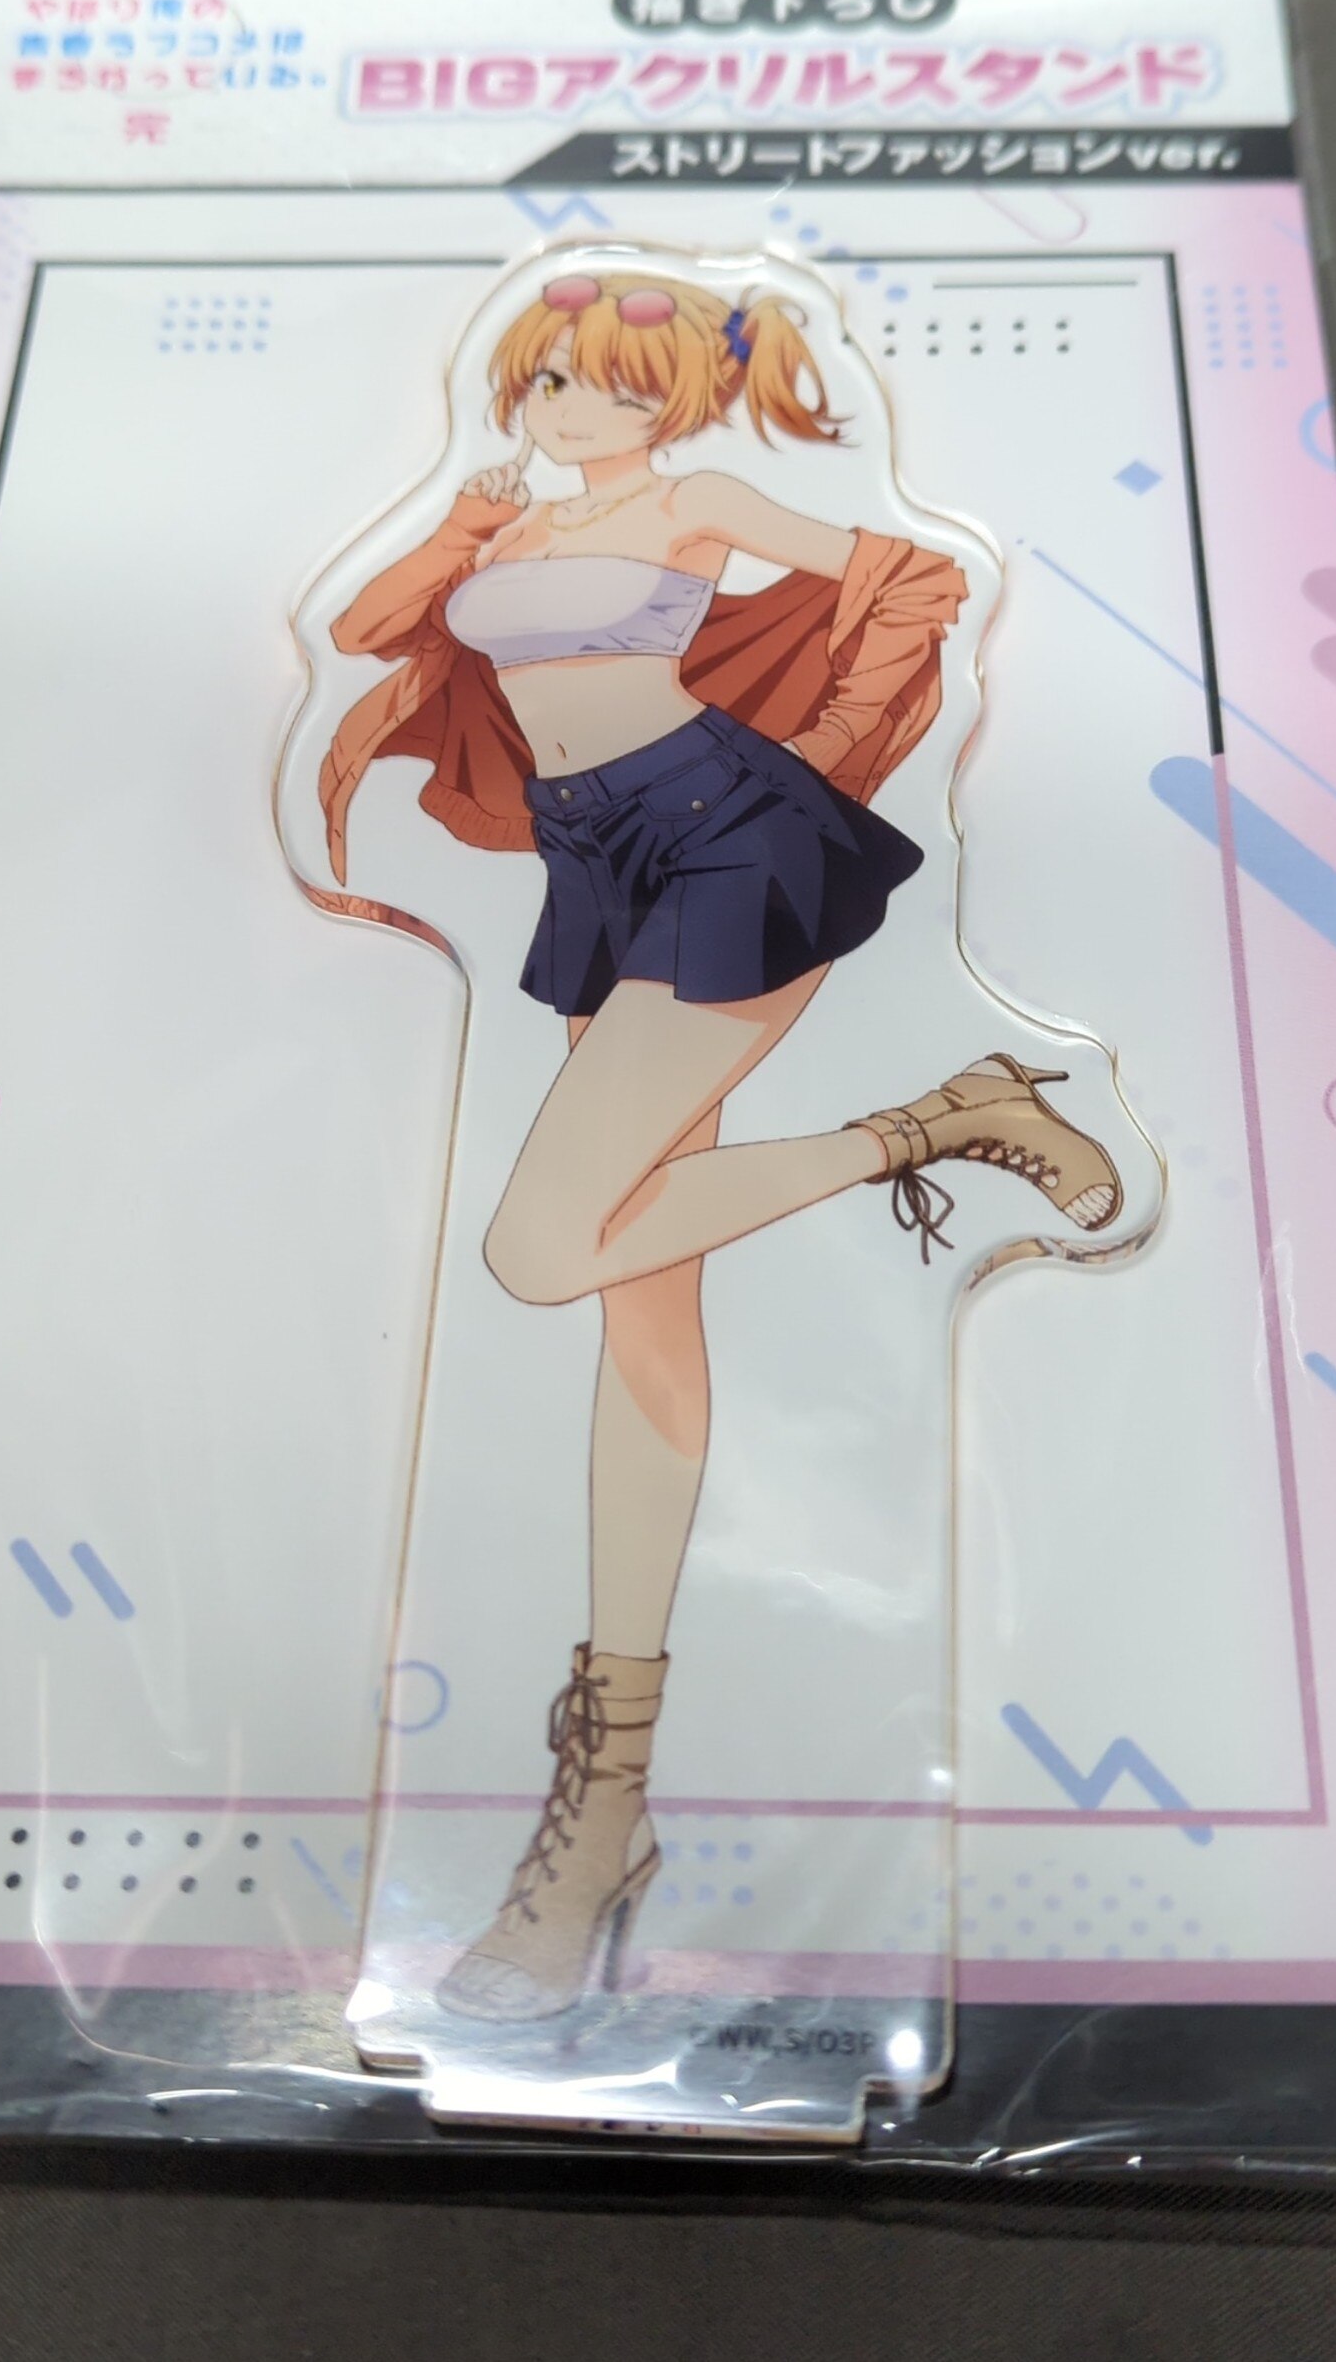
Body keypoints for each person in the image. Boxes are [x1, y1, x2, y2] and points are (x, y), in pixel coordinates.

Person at [322, 265, 1121, 2022]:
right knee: (640, 1300)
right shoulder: (513, 520)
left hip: (725, 834)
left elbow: (915, 577)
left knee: (540, 1245)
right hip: (594, 864)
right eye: (544, 379)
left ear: (668, 399)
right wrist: (463, 517)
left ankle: (937, 1120)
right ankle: (605, 1801)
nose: (563, 408)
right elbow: (370, 626)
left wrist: (819, 754)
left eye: (601, 385)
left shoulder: (698, 501)